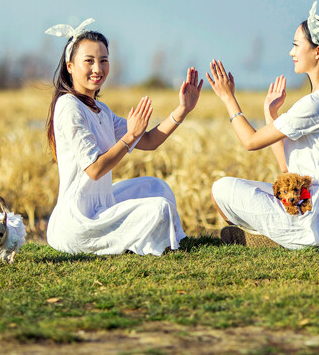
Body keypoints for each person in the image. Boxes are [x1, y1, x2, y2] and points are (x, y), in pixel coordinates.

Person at [207, 2, 319, 249]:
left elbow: (250, 141)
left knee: (222, 188)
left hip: (318, 217)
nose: (291, 52)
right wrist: (271, 113)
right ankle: (276, 238)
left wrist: (228, 98)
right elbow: (286, 169)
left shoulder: (318, 101)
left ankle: (278, 238)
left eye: (296, 45)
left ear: (317, 52)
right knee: (227, 191)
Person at [44, 19, 201, 256]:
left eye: (103, 61)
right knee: (158, 209)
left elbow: (148, 141)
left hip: (102, 205)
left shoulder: (101, 110)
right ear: (70, 66)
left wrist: (183, 110)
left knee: (157, 187)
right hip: (77, 222)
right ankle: (160, 245)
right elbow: (94, 169)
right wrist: (129, 137)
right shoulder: (69, 106)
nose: (98, 68)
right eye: (89, 61)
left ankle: (158, 241)